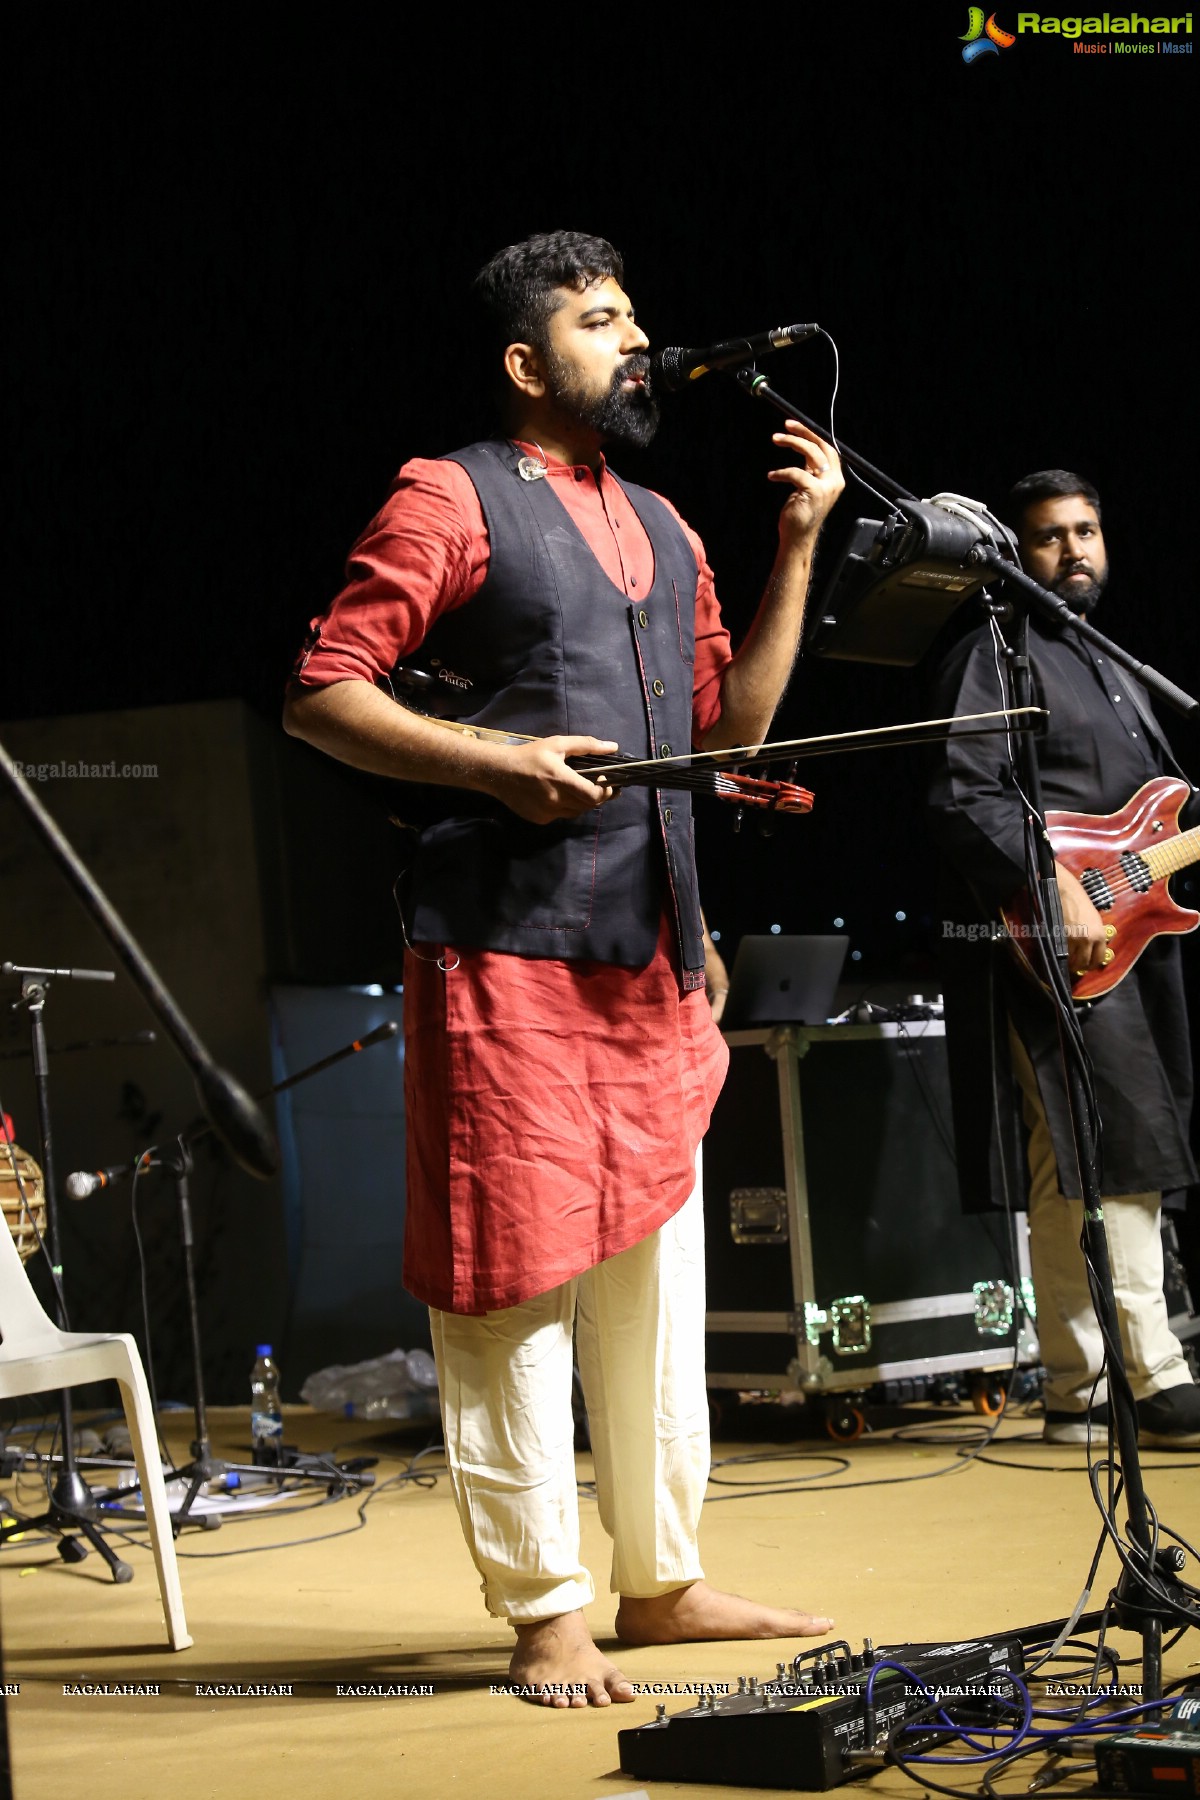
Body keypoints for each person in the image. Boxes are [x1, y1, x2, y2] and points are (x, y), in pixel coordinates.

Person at [284, 231, 845, 1705]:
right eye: (604, 320)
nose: (638, 338)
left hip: (651, 961)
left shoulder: (668, 523)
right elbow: (321, 693)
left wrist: (796, 550)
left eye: (638, 312)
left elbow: (731, 746)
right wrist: (494, 761)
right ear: (530, 362)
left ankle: (659, 1583)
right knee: (510, 1286)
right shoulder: (452, 494)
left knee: (654, 1282)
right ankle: (544, 1611)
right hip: (502, 956)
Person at [927, 469, 1199, 1448]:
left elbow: (1158, 817)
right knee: (1120, 1145)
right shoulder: (996, 654)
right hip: (1059, 933)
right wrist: (1051, 887)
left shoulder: (1114, 664)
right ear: (1015, 554)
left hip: (1134, 933)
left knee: (1069, 1165)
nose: (1074, 550)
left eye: (1087, 530)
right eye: (1050, 536)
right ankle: (1152, 1368)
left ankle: (1079, 1384)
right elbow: (967, 793)